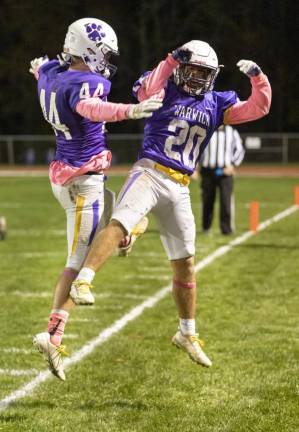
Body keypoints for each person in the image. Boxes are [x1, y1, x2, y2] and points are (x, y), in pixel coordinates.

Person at [62, 39, 271, 380]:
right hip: (150, 172)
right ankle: (83, 281)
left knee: (186, 263)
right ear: (181, 68)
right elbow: (146, 89)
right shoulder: (165, 89)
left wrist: (259, 79)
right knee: (119, 224)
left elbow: (258, 108)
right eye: (191, 69)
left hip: (182, 186)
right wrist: (172, 60)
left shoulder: (216, 103)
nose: (195, 77)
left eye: (203, 72)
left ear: (212, 75)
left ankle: (186, 332)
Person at [30, 17, 162, 381]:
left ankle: (125, 237)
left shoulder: (51, 73)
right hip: (83, 182)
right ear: (87, 50)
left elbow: (42, 69)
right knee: (78, 263)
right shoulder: (88, 82)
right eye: (103, 52)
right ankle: (53, 334)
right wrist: (129, 110)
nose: (106, 60)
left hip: (63, 174)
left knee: (134, 218)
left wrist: (39, 68)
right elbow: (92, 109)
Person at [200, 124, 245, 234]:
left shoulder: (231, 131)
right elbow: (197, 148)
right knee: (207, 200)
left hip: (225, 172)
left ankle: (226, 229)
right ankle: (206, 227)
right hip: (207, 171)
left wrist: (232, 164)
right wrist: (195, 166)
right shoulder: (206, 129)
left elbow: (240, 149)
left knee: (226, 201)